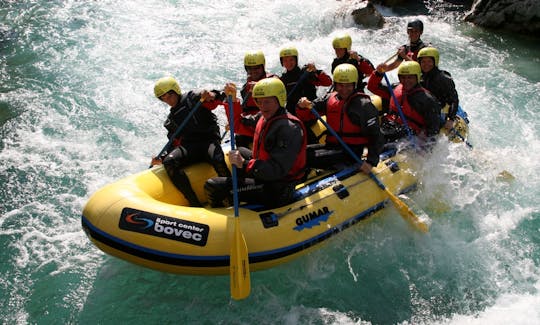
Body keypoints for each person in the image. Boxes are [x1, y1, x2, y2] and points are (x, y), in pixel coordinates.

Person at [205, 78, 307, 209]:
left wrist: (245, 164)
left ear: (280, 100)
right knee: (241, 150)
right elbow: (237, 124)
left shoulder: (289, 129)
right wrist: (233, 101)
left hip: (278, 187)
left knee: (213, 185)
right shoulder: (264, 117)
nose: (263, 106)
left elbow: (276, 170)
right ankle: (237, 192)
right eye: (259, 101)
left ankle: (229, 204)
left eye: (267, 102)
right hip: (266, 176)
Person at [151, 76, 231, 207]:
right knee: (169, 162)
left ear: (176, 91)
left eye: (169, 95)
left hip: (209, 141)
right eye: (163, 98)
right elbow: (173, 143)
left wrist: (210, 94)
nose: (167, 100)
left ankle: (231, 196)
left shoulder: (192, 98)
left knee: (217, 158)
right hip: (191, 147)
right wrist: (162, 158)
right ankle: (194, 203)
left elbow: (216, 95)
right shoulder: (171, 120)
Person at [296, 63, 384, 174]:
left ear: (354, 84)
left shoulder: (363, 105)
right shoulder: (329, 99)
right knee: (298, 151)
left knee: (307, 157)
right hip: (332, 146)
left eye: (348, 85)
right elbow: (307, 115)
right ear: (335, 85)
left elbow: (376, 135)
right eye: (340, 85)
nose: (344, 89)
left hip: (352, 151)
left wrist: (371, 162)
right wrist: (301, 106)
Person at [367, 61, 440, 142]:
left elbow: (433, 130)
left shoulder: (427, 100)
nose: (406, 81)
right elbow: (372, 87)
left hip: (410, 134)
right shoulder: (395, 89)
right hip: (390, 126)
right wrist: (378, 73)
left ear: (417, 77)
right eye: (403, 77)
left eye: (410, 77)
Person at [227, 50, 278, 148]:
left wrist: (260, 86)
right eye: (249, 68)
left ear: (263, 66)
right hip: (252, 124)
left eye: (257, 68)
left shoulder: (272, 79)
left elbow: (277, 85)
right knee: (239, 137)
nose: (253, 71)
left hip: (267, 123)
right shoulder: (246, 86)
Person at [278, 45, 332, 115]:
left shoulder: (306, 73)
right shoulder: (282, 79)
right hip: (293, 112)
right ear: (282, 62)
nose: (288, 63)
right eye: (285, 60)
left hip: (309, 110)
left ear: (296, 60)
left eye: (291, 59)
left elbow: (328, 83)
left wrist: (316, 71)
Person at [416, 46, 460, 130]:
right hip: (426, 107)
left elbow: (454, 100)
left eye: (429, 61)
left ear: (435, 62)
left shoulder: (443, 78)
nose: (426, 65)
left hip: (440, 109)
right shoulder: (419, 76)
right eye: (423, 62)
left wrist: (451, 119)